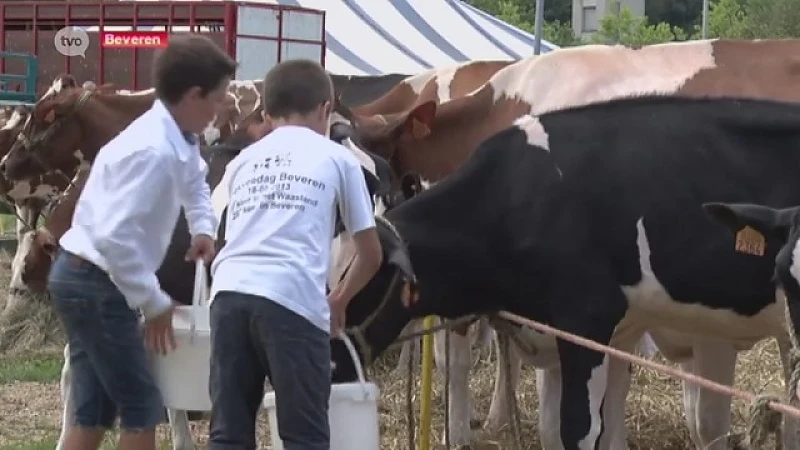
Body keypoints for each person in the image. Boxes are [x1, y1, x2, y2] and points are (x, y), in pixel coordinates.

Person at [47, 34, 236, 450]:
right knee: (141, 408)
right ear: (193, 96)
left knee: (93, 411)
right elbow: (117, 242)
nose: (222, 106)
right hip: (96, 281)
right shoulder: (153, 152)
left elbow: (195, 181)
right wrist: (155, 304)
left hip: (84, 277)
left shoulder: (177, 138)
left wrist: (203, 228)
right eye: (218, 97)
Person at [208, 59, 383, 450]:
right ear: (327, 109)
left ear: (267, 116)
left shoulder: (241, 162)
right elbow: (371, 254)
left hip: (228, 296)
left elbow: (219, 231)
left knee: (228, 435)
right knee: (304, 437)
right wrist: (339, 298)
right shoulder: (339, 160)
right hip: (292, 301)